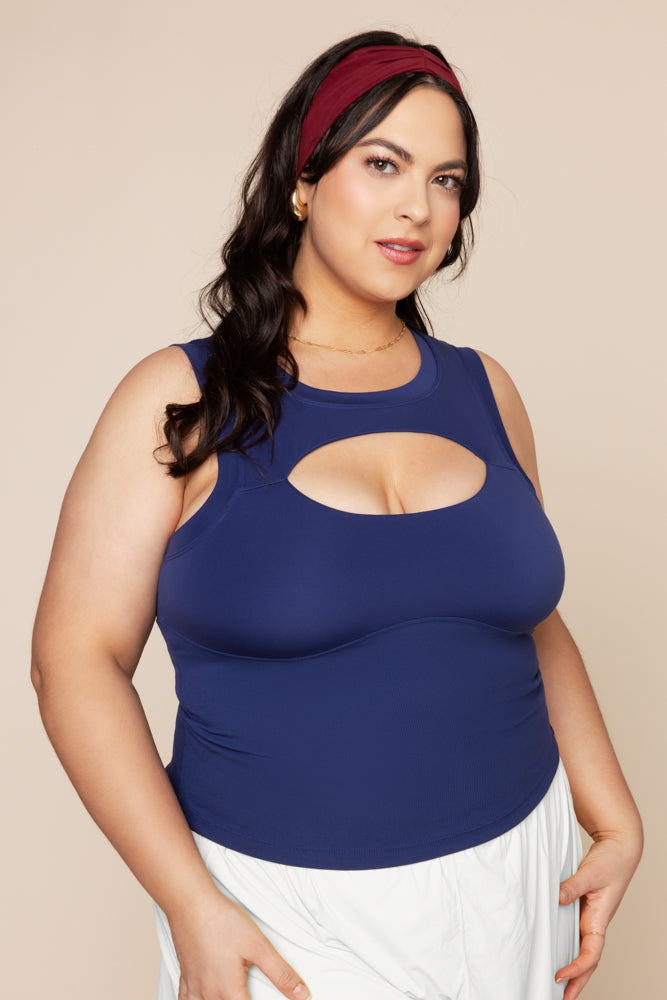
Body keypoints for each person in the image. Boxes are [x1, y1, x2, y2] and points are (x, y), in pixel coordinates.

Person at [31, 28, 643, 1000]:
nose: (417, 207)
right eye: (383, 164)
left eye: (446, 180)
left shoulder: (486, 391)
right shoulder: (181, 401)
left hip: (518, 878)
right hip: (283, 911)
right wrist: (189, 902)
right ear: (304, 181)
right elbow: (73, 662)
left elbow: (520, 615)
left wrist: (611, 817)